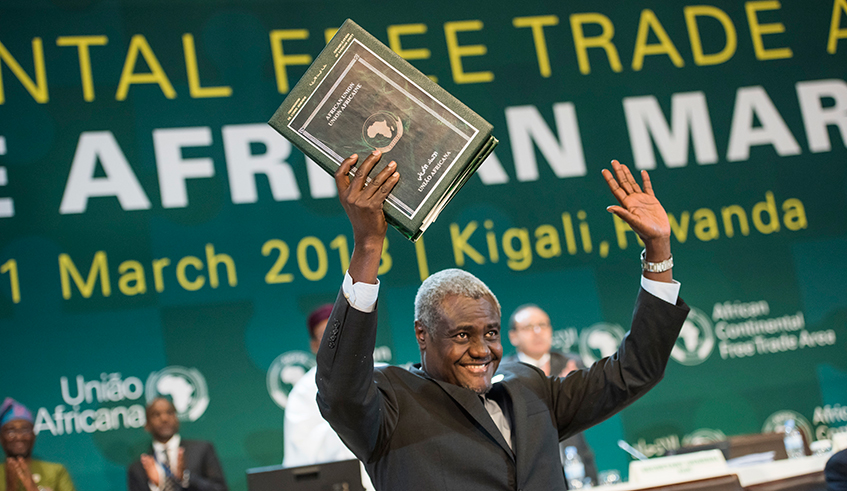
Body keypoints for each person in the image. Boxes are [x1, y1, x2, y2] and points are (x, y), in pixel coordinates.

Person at [316, 151, 689, 490]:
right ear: (422, 335)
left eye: (490, 333)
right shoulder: (392, 402)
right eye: (462, 335)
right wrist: (368, 244)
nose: (482, 350)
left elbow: (634, 369)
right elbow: (341, 389)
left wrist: (658, 250)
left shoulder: (528, 386)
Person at [503, 306, 599, 487]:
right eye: (528, 327)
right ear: (513, 336)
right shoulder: (504, 374)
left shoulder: (571, 364)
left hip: (577, 464)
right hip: (532, 473)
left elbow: (590, 411)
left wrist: (572, 389)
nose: (537, 332)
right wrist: (559, 393)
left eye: (543, 325)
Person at [283, 304, 375, 490]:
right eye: (327, 335)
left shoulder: (381, 374)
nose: (338, 341)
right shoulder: (304, 391)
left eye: (343, 332)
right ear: (314, 345)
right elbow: (300, 460)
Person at [127, 398, 227, 491]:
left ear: (176, 418)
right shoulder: (138, 469)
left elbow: (220, 489)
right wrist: (156, 486)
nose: (164, 419)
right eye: (156, 415)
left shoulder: (201, 450)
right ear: (147, 424)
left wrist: (186, 478)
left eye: (169, 413)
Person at [1, 398, 75, 491]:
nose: (19, 436)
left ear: (33, 434)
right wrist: (11, 487)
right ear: (1, 437)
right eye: (10, 431)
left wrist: (33, 488)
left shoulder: (56, 471)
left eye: (25, 430)